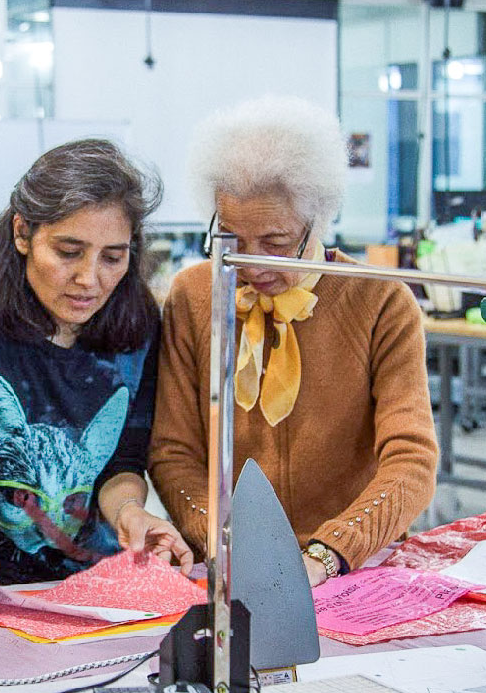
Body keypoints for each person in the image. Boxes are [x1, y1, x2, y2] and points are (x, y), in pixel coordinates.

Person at [147, 97, 435, 580]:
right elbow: (172, 451)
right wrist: (220, 540)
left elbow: (412, 461)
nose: (252, 264)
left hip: (352, 567)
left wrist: (329, 554)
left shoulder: (381, 301)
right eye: (232, 240)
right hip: (228, 565)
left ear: (316, 221)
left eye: (276, 243)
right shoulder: (194, 295)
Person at [0, 138, 185, 614]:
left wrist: (132, 514)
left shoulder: (137, 331)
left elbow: (119, 469)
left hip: (99, 594)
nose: (89, 279)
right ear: (22, 233)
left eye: (112, 257)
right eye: (68, 252)